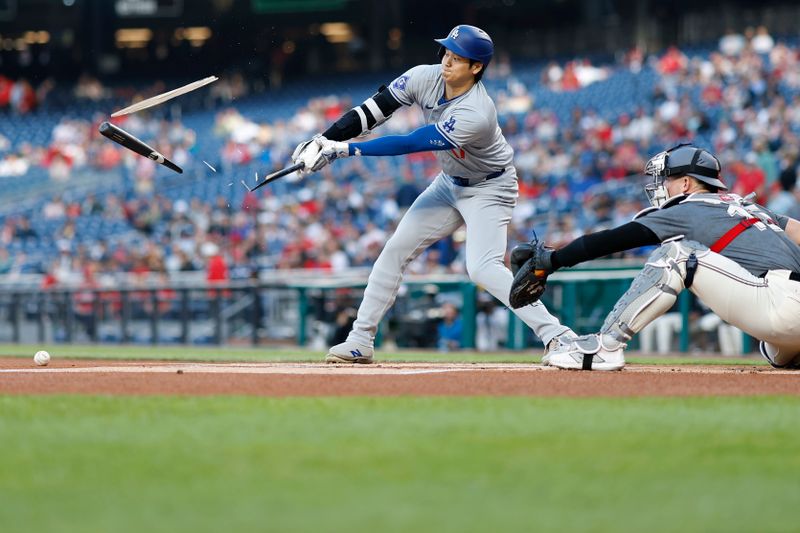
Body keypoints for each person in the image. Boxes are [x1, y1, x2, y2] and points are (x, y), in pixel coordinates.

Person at [292, 24, 574, 363]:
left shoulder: (476, 112)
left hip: (490, 187)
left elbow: (411, 142)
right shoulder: (424, 77)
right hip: (449, 183)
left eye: (458, 58)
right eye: (446, 53)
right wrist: (322, 139)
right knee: (395, 250)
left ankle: (558, 336)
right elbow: (372, 111)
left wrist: (344, 150)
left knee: (482, 268)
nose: (447, 62)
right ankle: (360, 341)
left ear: (476, 67)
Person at [509, 143, 800, 370]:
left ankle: (604, 348)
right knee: (775, 352)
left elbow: (613, 240)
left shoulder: (687, 208)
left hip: (783, 306)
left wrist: (552, 260)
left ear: (686, 183)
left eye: (668, 179)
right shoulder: (748, 206)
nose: (662, 186)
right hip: (786, 309)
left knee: (677, 253)